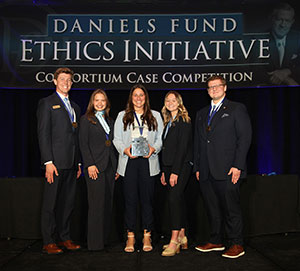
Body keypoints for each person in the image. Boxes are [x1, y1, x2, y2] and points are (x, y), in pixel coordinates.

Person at [193, 75, 252, 259]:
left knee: (230, 208)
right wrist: (197, 166)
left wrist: (238, 165)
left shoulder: (236, 108)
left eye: (217, 86)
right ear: (207, 91)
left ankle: (236, 243)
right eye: (210, 87)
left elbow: (245, 138)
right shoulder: (201, 113)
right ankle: (216, 240)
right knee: (212, 208)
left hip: (228, 169)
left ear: (225, 88)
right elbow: (198, 142)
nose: (214, 89)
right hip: (205, 170)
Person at [113, 84, 163, 253]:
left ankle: (147, 235)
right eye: (135, 95)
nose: (139, 98)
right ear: (131, 98)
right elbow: (116, 139)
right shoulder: (122, 116)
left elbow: (160, 139)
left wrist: (153, 148)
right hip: (129, 162)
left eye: (141, 95)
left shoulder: (155, 115)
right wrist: (125, 150)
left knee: (148, 201)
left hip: (148, 162)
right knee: (130, 201)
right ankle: (131, 236)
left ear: (146, 98)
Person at [37, 67, 81, 254]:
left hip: (71, 164)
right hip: (54, 164)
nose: (66, 83)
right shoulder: (47, 103)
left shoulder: (75, 107)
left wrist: (78, 163)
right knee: (51, 203)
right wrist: (48, 162)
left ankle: (65, 238)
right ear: (55, 81)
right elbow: (43, 134)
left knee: (67, 203)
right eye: (62, 79)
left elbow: (75, 138)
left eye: (69, 80)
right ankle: (49, 240)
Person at [79, 89, 119, 251]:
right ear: (92, 103)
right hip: (94, 167)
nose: (100, 103)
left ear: (106, 103)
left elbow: (113, 145)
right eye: (97, 100)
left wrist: (116, 166)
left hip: (109, 166)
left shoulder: (110, 120)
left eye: (103, 100)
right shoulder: (86, 119)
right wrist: (89, 164)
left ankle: (105, 239)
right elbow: (83, 144)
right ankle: (95, 244)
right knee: (96, 205)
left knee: (107, 203)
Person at [160, 91, 193, 257]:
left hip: (181, 166)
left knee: (173, 200)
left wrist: (175, 172)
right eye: (167, 100)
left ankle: (174, 240)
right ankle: (182, 236)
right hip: (169, 167)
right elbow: (167, 149)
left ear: (179, 103)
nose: (170, 102)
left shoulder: (184, 121)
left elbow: (181, 149)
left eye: (173, 100)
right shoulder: (167, 122)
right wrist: (165, 171)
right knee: (177, 200)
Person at [266, 2, 300, 85]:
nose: (283, 24)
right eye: (279, 19)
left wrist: (287, 71)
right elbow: (256, 69)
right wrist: (288, 80)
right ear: (272, 19)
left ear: (292, 22)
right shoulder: (259, 38)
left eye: (287, 21)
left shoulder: (298, 38)